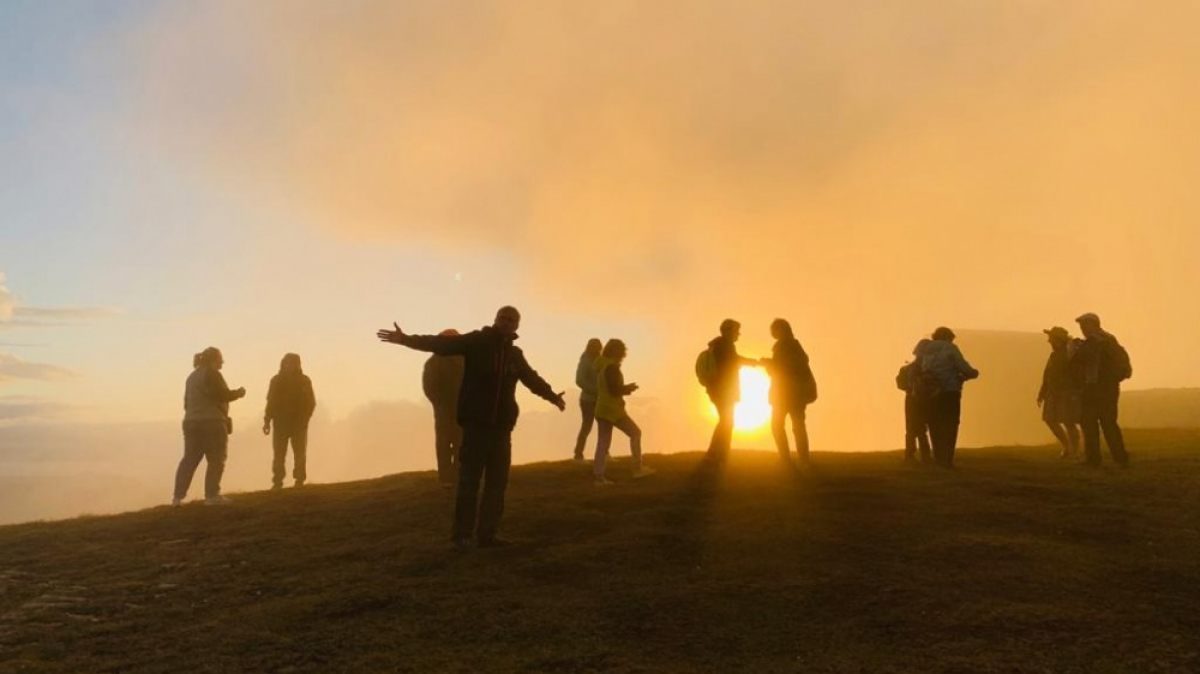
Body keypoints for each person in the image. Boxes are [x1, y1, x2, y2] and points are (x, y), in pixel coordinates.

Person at [377, 306, 566, 549]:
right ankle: (462, 535)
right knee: (469, 481)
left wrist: (553, 397)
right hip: (476, 425)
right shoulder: (476, 342)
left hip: (501, 428)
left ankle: (488, 534)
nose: (506, 322)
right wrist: (405, 340)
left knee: (497, 483)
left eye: (511, 320)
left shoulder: (514, 355)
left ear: (517, 326)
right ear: (496, 320)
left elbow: (531, 378)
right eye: (503, 318)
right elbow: (441, 345)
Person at [174, 347, 246, 506]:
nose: (222, 362)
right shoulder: (212, 374)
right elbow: (221, 394)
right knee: (216, 458)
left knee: (189, 460)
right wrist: (239, 393)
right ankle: (212, 495)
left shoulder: (191, 377)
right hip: (212, 422)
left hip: (191, 422)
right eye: (220, 359)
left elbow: (186, 403)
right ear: (214, 360)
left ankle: (177, 498)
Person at [592, 339, 656, 484]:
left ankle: (599, 476)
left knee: (603, 441)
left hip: (602, 408)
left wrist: (625, 388)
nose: (623, 355)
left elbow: (609, 387)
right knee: (635, 433)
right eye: (622, 352)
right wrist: (628, 389)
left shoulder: (602, 366)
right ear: (616, 352)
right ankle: (637, 468)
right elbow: (614, 390)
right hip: (613, 410)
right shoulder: (611, 367)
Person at [1073, 313, 1130, 467]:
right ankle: (1120, 457)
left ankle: (1093, 459)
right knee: (1109, 423)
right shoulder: (1110, 339)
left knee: (1089, 423)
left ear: (1092, 324)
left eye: (1084, 325)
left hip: (1094, 387)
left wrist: (1075, 348)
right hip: (1110, 387)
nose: (1082, 329)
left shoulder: (1094, 341)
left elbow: (1079, 358)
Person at [920, 327, 979, 469]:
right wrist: (973, 373)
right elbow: (963, 367)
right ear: (948, 337)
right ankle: (947, 459)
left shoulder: (927, 349)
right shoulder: (950, 348)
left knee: (934, 425)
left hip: (931, 392)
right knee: (950, 425)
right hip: (949, 391)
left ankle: (938, 458)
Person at [703, 319, 759, 461]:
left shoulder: (718, 345)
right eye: (736, 331)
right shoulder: (725, 346)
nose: (738, 334)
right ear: (729, 331)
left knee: (725, 420)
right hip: (723, 390)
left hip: (717, 389)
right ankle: (719, 453)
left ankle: (717, 452)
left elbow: (733, 361)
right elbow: (734, 361)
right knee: (727, 421)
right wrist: (754, 363)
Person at [761, 318, 815, 463]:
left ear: (781, 330)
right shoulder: (791, 345)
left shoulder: (787, 346)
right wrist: (770, 364)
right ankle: (801, 459)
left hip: (786, 394)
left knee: (780, 426)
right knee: (797, 426)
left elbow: (784, 368)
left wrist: (769, 364)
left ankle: (787, 458)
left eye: (775, 329)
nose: (772, 332)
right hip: (793, 394)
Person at [263, 353, 317, 489]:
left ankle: (299, 480)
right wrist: (267, 420)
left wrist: (305, 419)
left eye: (294, 363)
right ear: (283, 364)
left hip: (298, 424)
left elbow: (311, 402)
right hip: (281, 424)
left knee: (299, 454)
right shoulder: (276, 381)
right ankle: (277, 481)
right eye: (289, 363)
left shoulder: (304, 381)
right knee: (279, 455)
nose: (292, 366)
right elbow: (271, 403)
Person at [422, 330, 465, 487]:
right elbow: (430, 387)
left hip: (462, 409)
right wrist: (440, 405)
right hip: (444, 411)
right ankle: (446, 476)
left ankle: (458, 473)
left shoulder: (465, 359)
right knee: (445, 443)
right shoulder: (434, 362)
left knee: (461, 442)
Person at [1037, 327, 1082, 459]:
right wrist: (1042, 392)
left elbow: (1077, 374)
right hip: (1054, 392)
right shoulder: (1054, 355)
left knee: (1069, 422)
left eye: (1051, 339)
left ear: (1058, 340)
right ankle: (1067, 447)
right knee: (1050, 419)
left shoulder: (1070, 354)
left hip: (1067, 392)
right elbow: (1047, 375)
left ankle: (1075, 450)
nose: (1049, 341)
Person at [901, 339, 933, 464]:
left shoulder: (909, 368)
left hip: (910, 399)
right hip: (921, 399)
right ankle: (924, 455)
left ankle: (910, 454)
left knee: (912, 428)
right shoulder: (923, 368)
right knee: (920, 428)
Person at [572, 338, 603, 463]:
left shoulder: (599, 360)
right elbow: (579, 380)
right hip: (588, 400)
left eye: (598, 347)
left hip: (600, 399)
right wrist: (594, 390)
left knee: (603, 426)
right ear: (590, 347)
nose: (597, 349)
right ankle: (578, 455)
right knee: (587, 426)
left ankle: (604, 453)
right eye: (594, 347)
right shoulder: (585, 361)